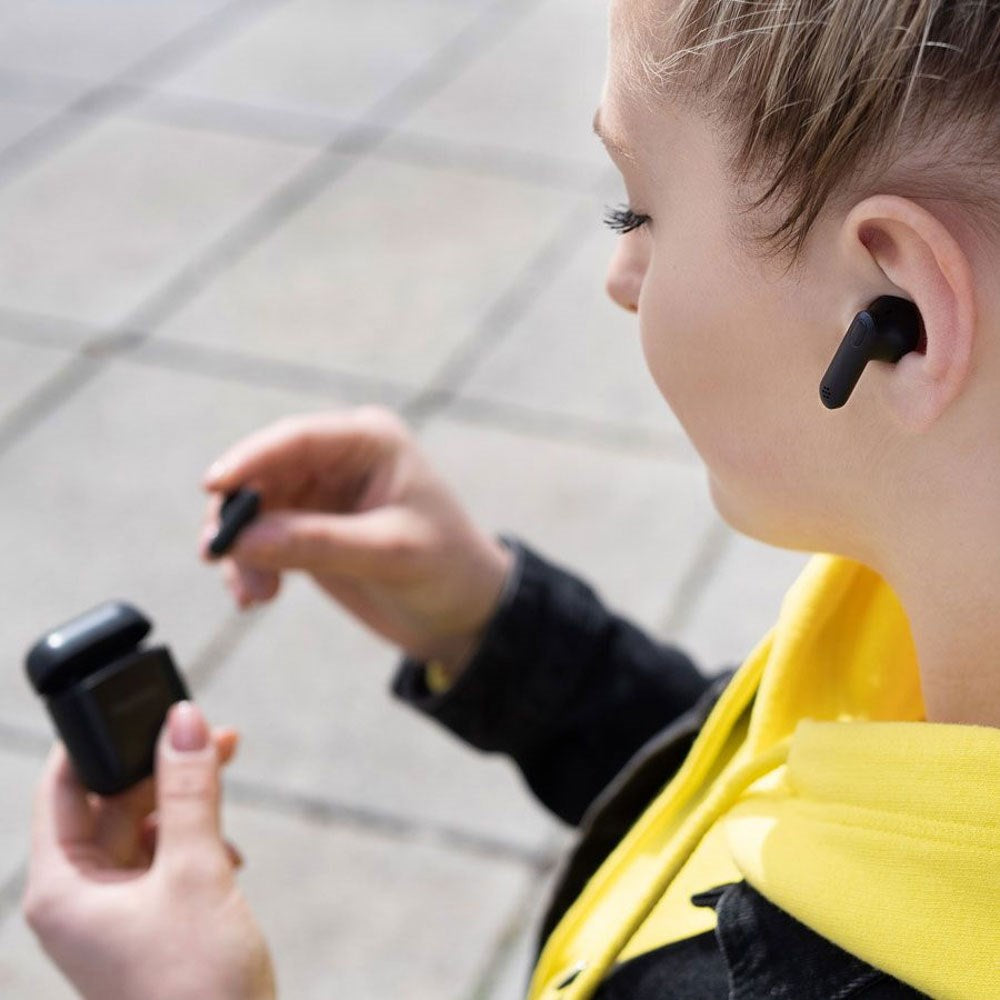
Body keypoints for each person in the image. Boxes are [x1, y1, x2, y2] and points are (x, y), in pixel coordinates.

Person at [23, 0, 1000, 997]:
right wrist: (500, 630)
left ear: (901, 315)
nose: (621, 276)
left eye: (639, 214)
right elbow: (775, 787)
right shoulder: (913, 600)